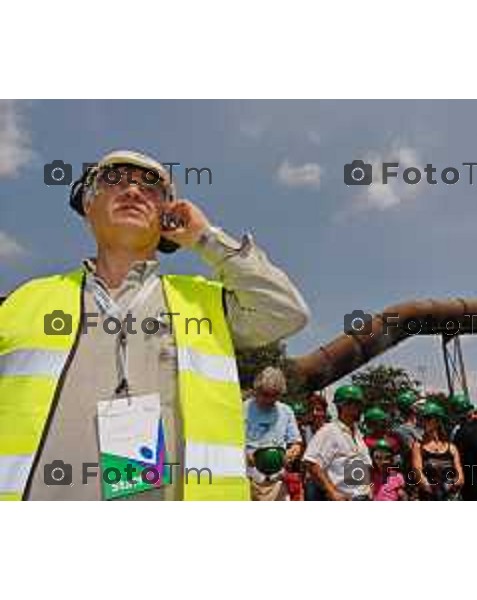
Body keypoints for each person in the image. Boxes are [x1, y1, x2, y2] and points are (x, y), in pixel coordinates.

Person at [0, 150, 309, 501]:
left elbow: (287, 311)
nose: (132, 190)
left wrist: (206, 238)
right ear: (87, 204)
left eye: (151, 186)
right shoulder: (25, 300)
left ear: (168, 215)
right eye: (114, 179)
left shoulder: (202, 302)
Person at [303, 384, 372, 500]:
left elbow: (364, 465)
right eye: (356, 404)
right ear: (343, 406)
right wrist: (332, 491)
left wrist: (369, 489)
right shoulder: (329, 431)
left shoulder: (358, 433)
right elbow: (311, 462)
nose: (360, 408)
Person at [244, 367, 303, 501]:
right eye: (265, 394)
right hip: (248, 480)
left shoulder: (286, 411)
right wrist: (246, 457)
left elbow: (296, 442)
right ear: (256, 390)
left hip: (278, 481)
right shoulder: (242, 410)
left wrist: (293, 452)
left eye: (275, 395)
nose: (269, 399)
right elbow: (231, 445)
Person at [411, 400, 463, 500]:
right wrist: (433, 489)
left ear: (438, 421)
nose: (423, 422)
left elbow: (460, 477)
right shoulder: (418, 447)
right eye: (422, 418)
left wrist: (450, 487)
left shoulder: (451, 448)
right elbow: (418, 474)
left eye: (428, 418)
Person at [302, 393, 329, 501]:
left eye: (318, 409)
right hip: (311, 481)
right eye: (311, 410)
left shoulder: (331, 430)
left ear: (324, 412)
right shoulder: (305, 431)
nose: (315, 413)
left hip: (329, 479)